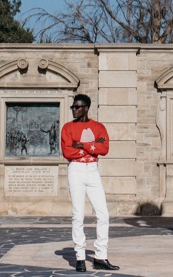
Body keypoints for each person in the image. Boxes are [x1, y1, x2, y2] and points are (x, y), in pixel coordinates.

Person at [61, 94, 120, 272]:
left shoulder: (98, 126)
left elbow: (104, 148)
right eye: (73, 107)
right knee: (78, 214)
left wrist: (82, 145)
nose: (74, 110)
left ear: (86, 108)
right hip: (76, 170)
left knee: (103, 214)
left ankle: (101, 256)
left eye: (77, 107)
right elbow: (67, 151)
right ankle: (80, 257)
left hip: (93, 170)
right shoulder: (68, 127)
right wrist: (91, 147)